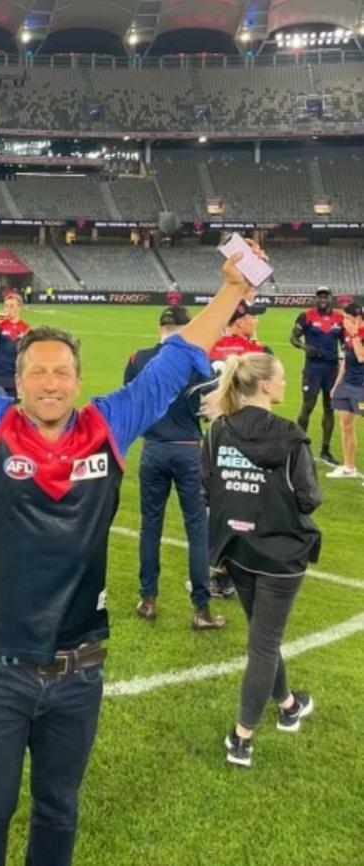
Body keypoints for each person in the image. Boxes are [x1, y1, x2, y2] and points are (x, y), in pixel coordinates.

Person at [0, 228, 255, 866]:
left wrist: (232, 288)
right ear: (19, 379)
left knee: (58, 814)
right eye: (36, 369)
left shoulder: (108, 425)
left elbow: (177, 361)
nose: (49, 381)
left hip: (79, 671)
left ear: (77, 379)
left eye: (61, 371)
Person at [202, 353, 321, 768]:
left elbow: (208, 489)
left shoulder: (218, 430)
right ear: (266, 386)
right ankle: (242, 738)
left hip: (237, 549)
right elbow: (309, 498)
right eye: (283, 377)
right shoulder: (289, 436)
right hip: (280, 555)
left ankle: (288, 704)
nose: (287, 384)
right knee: (264, 643)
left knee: (263, 637)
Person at [124, 305, 224, 630]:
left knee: (150, 526)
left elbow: (131, 401)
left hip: (153, 448)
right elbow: (211, 408)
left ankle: (148, 599)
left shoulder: (137, 358)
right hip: (188, 450)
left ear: (160, 327)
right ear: (187, 327)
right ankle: (201, 609)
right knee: (196, 528)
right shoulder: (197, 361)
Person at [291, 287, 344, 465]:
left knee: (330, 408)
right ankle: (299, 448)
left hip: (332, 369)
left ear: (331, 298)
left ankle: (325, 451)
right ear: (316, 299)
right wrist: (306, 348)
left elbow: (345, 342)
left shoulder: (340, 318)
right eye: (319, 296)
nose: (322, 299)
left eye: (325, 296)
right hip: (312, 368)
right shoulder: (306, 316)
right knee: (308, 406)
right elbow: (293, 338)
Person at [325, 302, 364, 479]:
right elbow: (346, 362)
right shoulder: (348, 333)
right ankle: (349, 467)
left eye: (348, 318)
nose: (344, 322)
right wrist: (336, 385)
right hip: (347, 384)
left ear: (357, 319)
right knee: (345, 424)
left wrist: (354, 333)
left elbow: (361, 357)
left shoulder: (357, 333)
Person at [0, 292, 30, 398]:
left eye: (12, 306)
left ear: (19, 307)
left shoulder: (25, 329)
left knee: (12, 411)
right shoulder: (0, 326)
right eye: (6, 306)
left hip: (15, 378)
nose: (8, 309)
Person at [209, 301, 270, 375]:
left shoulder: (208, 349)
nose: (257, 321)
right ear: (240, 322)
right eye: (253, 317)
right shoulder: (259, 351)